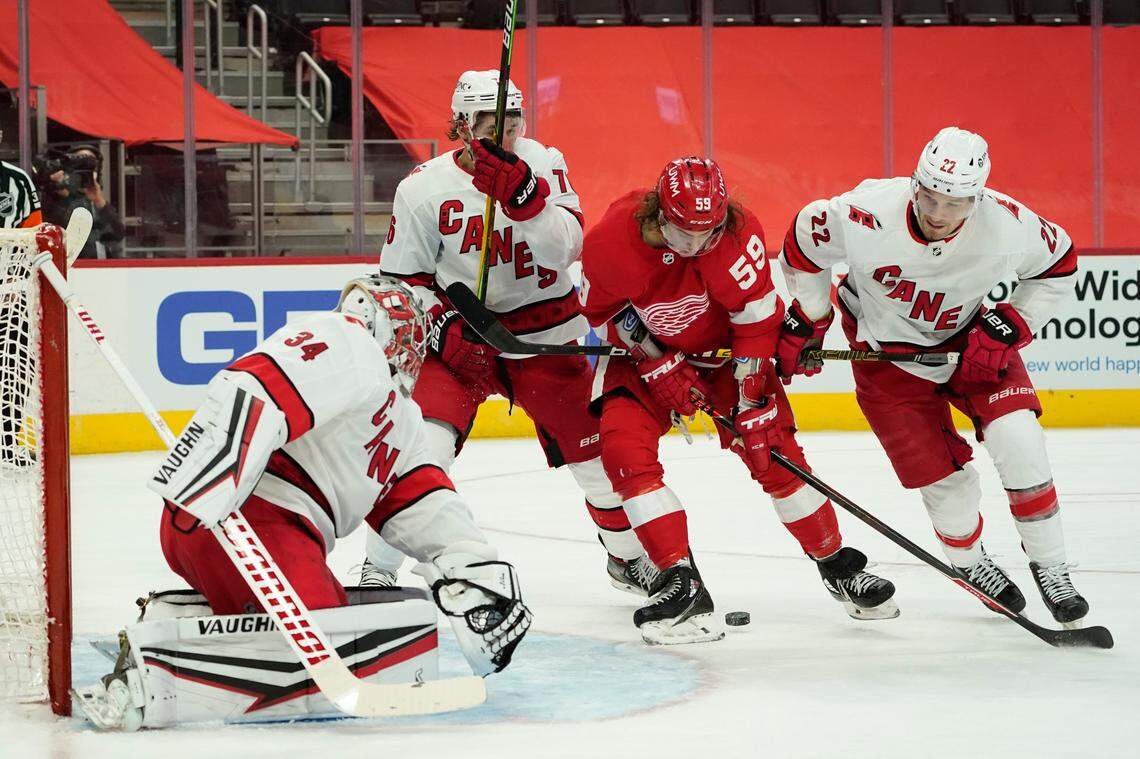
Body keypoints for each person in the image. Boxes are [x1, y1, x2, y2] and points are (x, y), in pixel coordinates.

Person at [76, 275, 532, 730]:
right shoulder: (348, 341)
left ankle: (175, 624)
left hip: (258, 535)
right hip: (241, 518)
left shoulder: (403, 421)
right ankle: (150, 680)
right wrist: (212, 467)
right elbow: (259, 384)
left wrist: (475, 577)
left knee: (348, 631)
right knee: (330, 645)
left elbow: (422, 503)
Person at [579, 157, 898, 645]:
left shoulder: (734, 235)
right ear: (658, 214)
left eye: (707, 232)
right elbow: (608, 312)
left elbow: (756, 322)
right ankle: (679, 581)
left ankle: (837, 564)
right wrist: (654, 358)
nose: (696, 245)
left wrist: (751, 398)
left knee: (774, 454)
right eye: (684, 231)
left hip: (728, 360)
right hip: (644, 359)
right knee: (623, 453)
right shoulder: (610, 242)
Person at [777, 126, 1088, 626]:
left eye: (956, 202)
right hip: (888, 364)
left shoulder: (1009, 223)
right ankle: (970, 565)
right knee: (947, 488)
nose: (939, 213)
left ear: (978, 196)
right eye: (930, 195)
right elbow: (802, 239)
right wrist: (812, 318)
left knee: (1021, 441)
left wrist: (1012, 324)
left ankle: (1052, 569)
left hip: (972, 348)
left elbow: (1060, 264)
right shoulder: (866, 210)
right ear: (916, 182)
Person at [365, 69, 656, 597]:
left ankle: (627, 557)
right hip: (463, 336)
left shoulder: (545, 162)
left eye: (512, 120)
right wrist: (441, 323)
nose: (504, 133)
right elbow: (403, 279)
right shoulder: (423, 187)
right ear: (460, 124)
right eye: (488, 123)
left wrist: (528, 201)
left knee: (594, 456)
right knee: (423, 446)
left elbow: (568, 249)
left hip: (545, 331)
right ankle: (377, 570)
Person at [0, 155, 43, 467]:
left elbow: (32, 236)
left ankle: (5, 442)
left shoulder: (17, 180)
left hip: (8, 292)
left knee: (16, 366)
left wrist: (16, 280)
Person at [35, 145, 125, 259]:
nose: (85, 172)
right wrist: (59, 194)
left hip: (102, 267)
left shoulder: (98, 203)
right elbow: (54, 231)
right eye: (81, 165)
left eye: (90, 166)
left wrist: (99, 201)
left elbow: (118, 234)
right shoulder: (57, 199)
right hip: (71, 266)